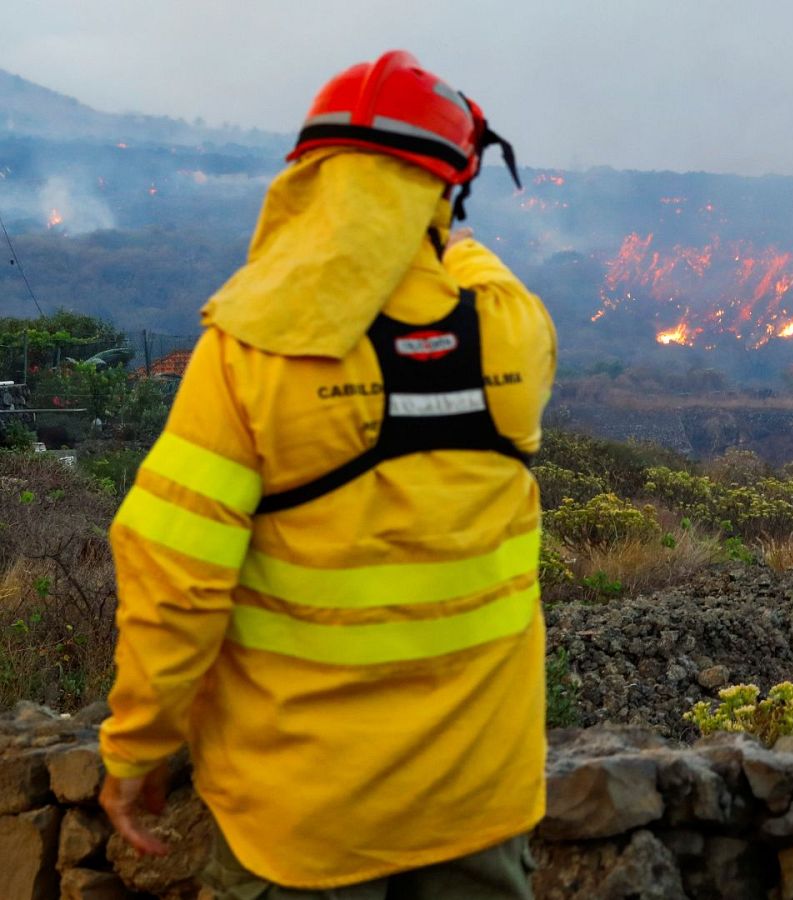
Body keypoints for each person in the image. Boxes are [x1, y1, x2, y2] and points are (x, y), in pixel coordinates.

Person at [96, 50, 556, 897]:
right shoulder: (515, 332)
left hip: (304, 818)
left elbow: (176, 584)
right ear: (447, 191)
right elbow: (466, 260)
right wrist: (436, 216)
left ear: (308, 179)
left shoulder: (247, 351)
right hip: (479, 799)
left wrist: (136, 748)